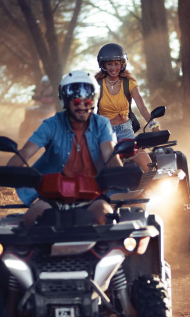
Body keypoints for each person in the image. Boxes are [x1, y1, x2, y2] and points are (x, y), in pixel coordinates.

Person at [7, 70, 123, 226]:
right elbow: (26, 152)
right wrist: (10, 170)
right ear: (66, 101)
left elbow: (109, 153)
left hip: (93, 195)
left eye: (87, 101)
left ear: (93, 101)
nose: (82, 106)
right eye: (76, 101)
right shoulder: (51, 124)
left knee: (108, 220)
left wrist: (120, 173)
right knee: (27, 223)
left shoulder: (102, 124)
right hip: (52, 196)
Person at [95, 43, 159, 173]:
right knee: (99, 168)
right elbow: (88, 110)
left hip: (125, 131)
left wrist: (153, 124)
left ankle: (151, 190)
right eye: (109, 64)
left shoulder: (129, 84)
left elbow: (142, 107)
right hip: (104, 133)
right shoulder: (97, 85)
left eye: (116, 64)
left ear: (122, 64)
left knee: (150, 168)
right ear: (103, 65)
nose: (113, 68)